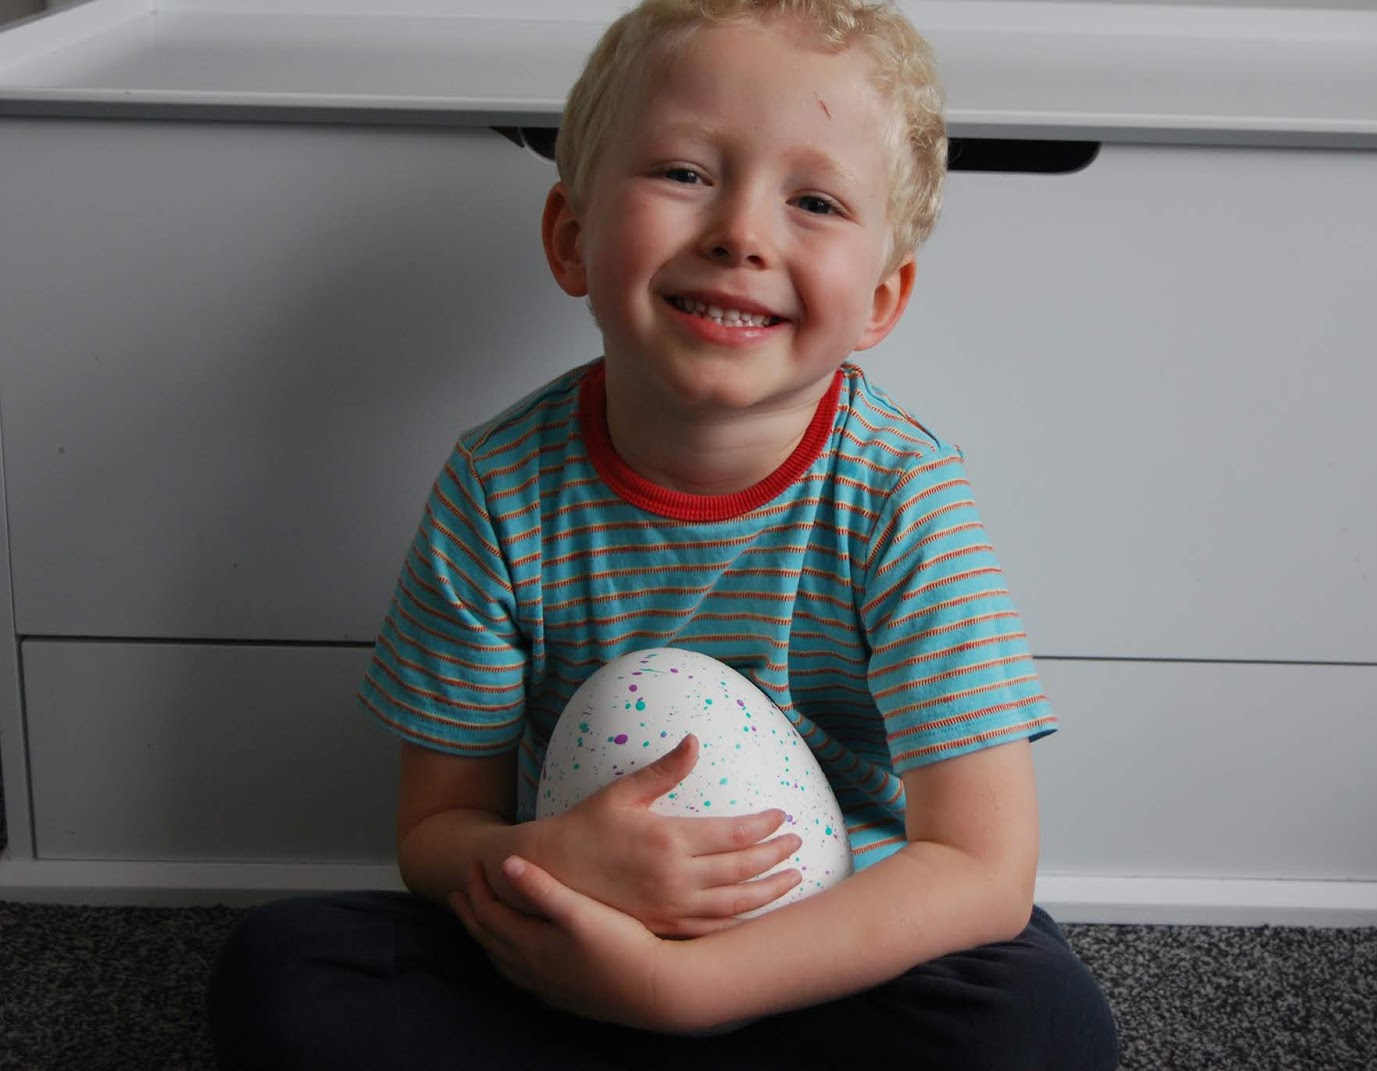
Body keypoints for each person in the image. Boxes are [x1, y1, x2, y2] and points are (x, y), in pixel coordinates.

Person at [207, 1, 1119, 1067]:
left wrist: (682, 989)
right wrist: (556, 860)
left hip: (831, 950)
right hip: (571, 932)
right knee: (283, 972)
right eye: (686, 173)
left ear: (879, 299)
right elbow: (435, 833)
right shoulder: (498, 487)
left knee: (1038, 1025)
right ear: (572, 236)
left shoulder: (900, 497)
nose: (742, 233)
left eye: (814, 200)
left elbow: (981, 866)